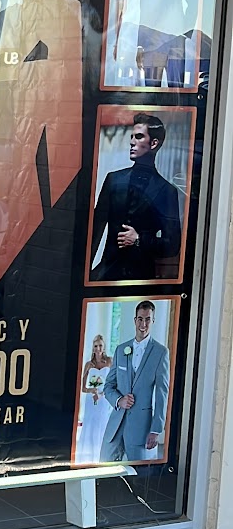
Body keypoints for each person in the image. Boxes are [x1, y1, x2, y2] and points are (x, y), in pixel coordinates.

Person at [90, 115, 183, 282]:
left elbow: (173, 245)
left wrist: (139, 240)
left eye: (139, 137)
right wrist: (82, 275)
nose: (132, 142)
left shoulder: (167, 191)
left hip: (141, 278)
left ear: (153, 143)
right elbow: (94, 231)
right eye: (131, 137)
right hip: (106, 273)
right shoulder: (113, 180)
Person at [100, 301, 170, 463]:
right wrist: (119, 400)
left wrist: (156, 429)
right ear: (135, 320)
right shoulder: (121, 350)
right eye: (140, 319)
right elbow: (108, 386)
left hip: (141, 429)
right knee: (104, 469)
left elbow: (162, 394)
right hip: (115, 427)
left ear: (153, 321)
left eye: (147, 319)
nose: (143, 324)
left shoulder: (161, 352)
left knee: (136, 474)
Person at [76, 332, 113, 465]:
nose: (98, 349)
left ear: (104, 347)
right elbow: (82, 387)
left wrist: (101, 393)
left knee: (102, 424)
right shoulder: (89, 364)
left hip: (104, 399)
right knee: (90, 425)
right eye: (96, 346)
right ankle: (87, 457)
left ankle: (101, 456)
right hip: (91, 400)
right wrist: (92, 391)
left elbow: (113, 382)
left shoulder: (109, 361)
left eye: (100, 346)